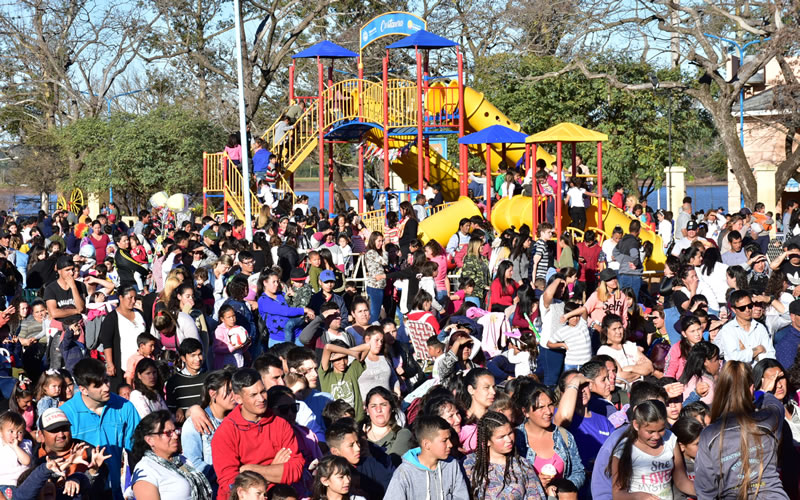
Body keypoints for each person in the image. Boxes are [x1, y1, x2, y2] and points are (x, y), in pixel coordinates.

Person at [694, 360, 788, 499]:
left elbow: (705, 490)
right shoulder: (768, 419)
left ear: (720, 391)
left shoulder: (710, 434)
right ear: (751, 389)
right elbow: (775, 405)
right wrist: (763, 393)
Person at [211, 368, 304, 500]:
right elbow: (231, 485)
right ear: (238, 398)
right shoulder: (226, 432)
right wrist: (273, 470)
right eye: (253, 395)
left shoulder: (281, 424)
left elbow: (295, 470)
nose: (261, 399)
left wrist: (251, 469)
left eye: (263, 392)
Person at [60, 358, 141, 500]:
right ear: (83, 389)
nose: (106, 387)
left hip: (114, 493)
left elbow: (137, 450)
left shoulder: (124, 407)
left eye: (106, 380)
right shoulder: (66, 414)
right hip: (79, 493)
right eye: (98, 385)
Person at [608, 400, 695, 498]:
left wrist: (703, 492)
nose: (657, 436)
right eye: (650, 431)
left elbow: (681, 480)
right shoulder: (623, 449)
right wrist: (638, 497)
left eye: (661, 430)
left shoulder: (670, 438)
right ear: (636, 425)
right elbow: (617, 494)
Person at [514, 384, 585, 490]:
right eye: (541, 407)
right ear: (525, 412)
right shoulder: (514, 438)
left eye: (550, 405)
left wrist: (563, 489)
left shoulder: (564, 436)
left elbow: (578, 471)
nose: (548, 412)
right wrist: (536, 484)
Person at [131, 410, 213, 499]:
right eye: (168, 433)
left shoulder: (181, 460)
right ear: (150, 440)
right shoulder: (146, 470)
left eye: (175, 431)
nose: (175, 436)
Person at [384, 415, 469, 500]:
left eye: (449, 439)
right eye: (444, 440)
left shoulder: (452, 465)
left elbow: (462, 496)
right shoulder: (404, 473)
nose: (450, 444)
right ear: (427, 444)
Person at [182, 370, 235, 489]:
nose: (234, 395)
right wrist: (227, 475)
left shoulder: (236, 419)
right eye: (229, 391)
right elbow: (192, 464)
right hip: (213, 489)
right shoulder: (195, 423)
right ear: (213, 393)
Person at [714, 289, 774, 365]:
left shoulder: (760, 328)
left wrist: (747, 353)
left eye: (750, 306)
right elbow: (733, 358)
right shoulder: (728, 330)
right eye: (742, 308)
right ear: (734, 310)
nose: (747, 310)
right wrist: (756, 350)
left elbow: (770, 354)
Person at [613, 220, 643, 300]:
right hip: (633, 275)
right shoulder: (633, 242)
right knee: (632, 301)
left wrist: (623, 260)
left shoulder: (622, 240)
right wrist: (635, 264)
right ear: (639, 230)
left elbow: (614, 252)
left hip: (623, 273)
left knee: (623, 300)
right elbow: (634, 255)